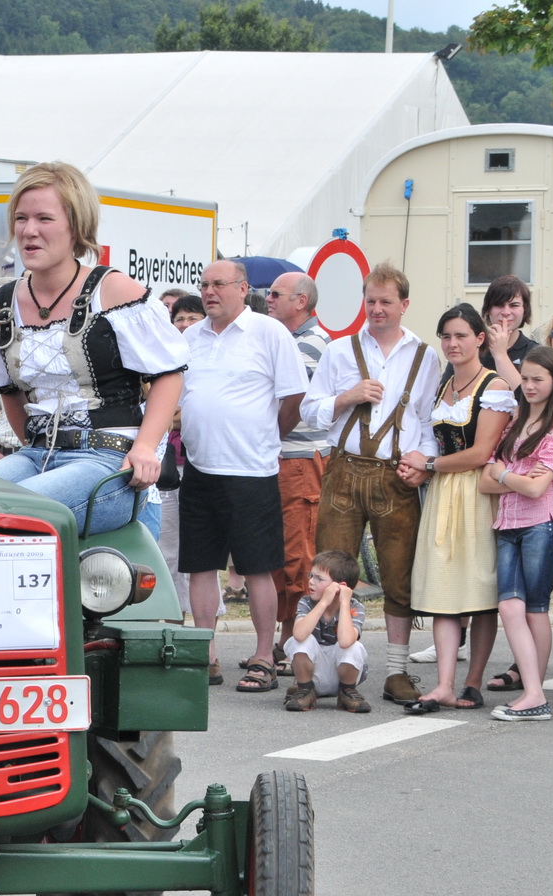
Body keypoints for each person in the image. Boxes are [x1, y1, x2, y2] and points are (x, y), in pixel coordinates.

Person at [0, 162, 185, 538]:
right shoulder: (0, 305)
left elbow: (168, 374)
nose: (29, 230)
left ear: (76, 227)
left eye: (44, 218)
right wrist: (33, 444)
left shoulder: (114, 290)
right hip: (38, 454)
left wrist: (146, 448)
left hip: (110, 459)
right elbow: (7, 389)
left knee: (12, 513)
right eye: (21, 218)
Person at [302, 262, 441, 705]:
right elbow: (310, 411)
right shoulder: (339, 350)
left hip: (395, 474)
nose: (376, 309)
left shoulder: (425, 357)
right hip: (343, 469)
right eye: (370, 301)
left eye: (385, 302)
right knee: (332, 571)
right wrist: (348, 396)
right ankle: (324, 669)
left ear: (404, 304)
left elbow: (426, 421)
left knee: (399, 575)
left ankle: (396, 673)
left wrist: (424, 461)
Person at [178, 259, 307, 691]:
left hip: (251, 469)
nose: (209, 291)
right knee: (200, 566)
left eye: (218, 284)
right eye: (204, 284)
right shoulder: (190, 337)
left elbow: (293, 398)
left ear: (242, 287)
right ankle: (206, 653)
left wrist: (268, 437)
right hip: (199, 466)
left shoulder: (269, 333)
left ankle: (265, 655)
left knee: (258, 568)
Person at [398, 305, 513, 714]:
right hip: (444, 492)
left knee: (480, 591)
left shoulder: (495, 387)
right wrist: (421, 466)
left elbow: (481, 452)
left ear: (480, 339)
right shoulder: (443, 387)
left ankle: (473, 681)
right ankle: (444, 683)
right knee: (444, 589)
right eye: (447, 336)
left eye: (461, 335)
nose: (453, 343)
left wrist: (427, 465)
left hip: (478, 493)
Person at [479, 346, 553, 721]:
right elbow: (485, 482)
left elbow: (536, 490)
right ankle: (533, 692)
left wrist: (504, 474)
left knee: (534, 609)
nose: (530, 386)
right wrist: (513, 478)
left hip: (542, 524)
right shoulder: (514, 422)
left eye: (539, 379)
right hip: (507, 524)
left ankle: (535, 694)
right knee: (509, 606)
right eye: (527, 378)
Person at [266, 271, 333, 666]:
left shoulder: (311, 344)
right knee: (280, 553)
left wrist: (266, 436)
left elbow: (290, 405)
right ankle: (285, 640)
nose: (268, 299)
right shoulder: (289, 341)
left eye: (276, 294)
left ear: (301, 301)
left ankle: (294, 642)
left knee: (298, 555)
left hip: (298, 461)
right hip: (282, 461)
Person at [282, 548, 370, 713]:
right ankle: (305, 690)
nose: (311, 582)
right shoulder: (307, 603)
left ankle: (347, 692)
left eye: (319, 578)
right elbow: (299, 634)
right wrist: (323, 603)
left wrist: (344, 603)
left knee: (354, 646)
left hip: (342, 675)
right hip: (313, 674)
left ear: (340, 586)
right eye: (311, 575)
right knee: (300, 640)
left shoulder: (355, 608)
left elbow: (345, 641)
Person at [478, 274, 532, 382]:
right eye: (498, 305)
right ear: (488, 309)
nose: (506, 312)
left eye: (514, 305)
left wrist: (500, 354)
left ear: (524, 309)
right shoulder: (472, 349)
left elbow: (524, 396)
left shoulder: (535, 353)